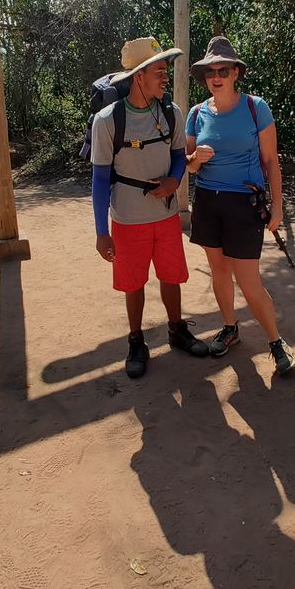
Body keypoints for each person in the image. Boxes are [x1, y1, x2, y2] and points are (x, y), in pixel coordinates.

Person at [91, 36, 209, 378]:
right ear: (139, 76)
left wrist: (175, 181)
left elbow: (176, 158)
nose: (165, 78)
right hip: (127, 219)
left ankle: (177, 330)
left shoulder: (171, 114)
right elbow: (100, 180)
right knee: (133, 282)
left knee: (172, 276)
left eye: (165, 71)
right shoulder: (108, 121)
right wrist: (101, 232)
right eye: (160, 71)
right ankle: (136, 341)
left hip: (167, 215)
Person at [185, 35, 295, 376]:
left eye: (223, 69)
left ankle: (276, 341)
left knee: (248, 280)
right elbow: (186, 165)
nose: (215, 76)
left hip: (244, 203)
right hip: (206, 200)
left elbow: (271, 161)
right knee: (219, 272)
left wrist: (277, 208)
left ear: (235, 73)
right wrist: (195, 160)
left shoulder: (255, 107)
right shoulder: (196, 113)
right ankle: (230, 327)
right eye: (209, 71)